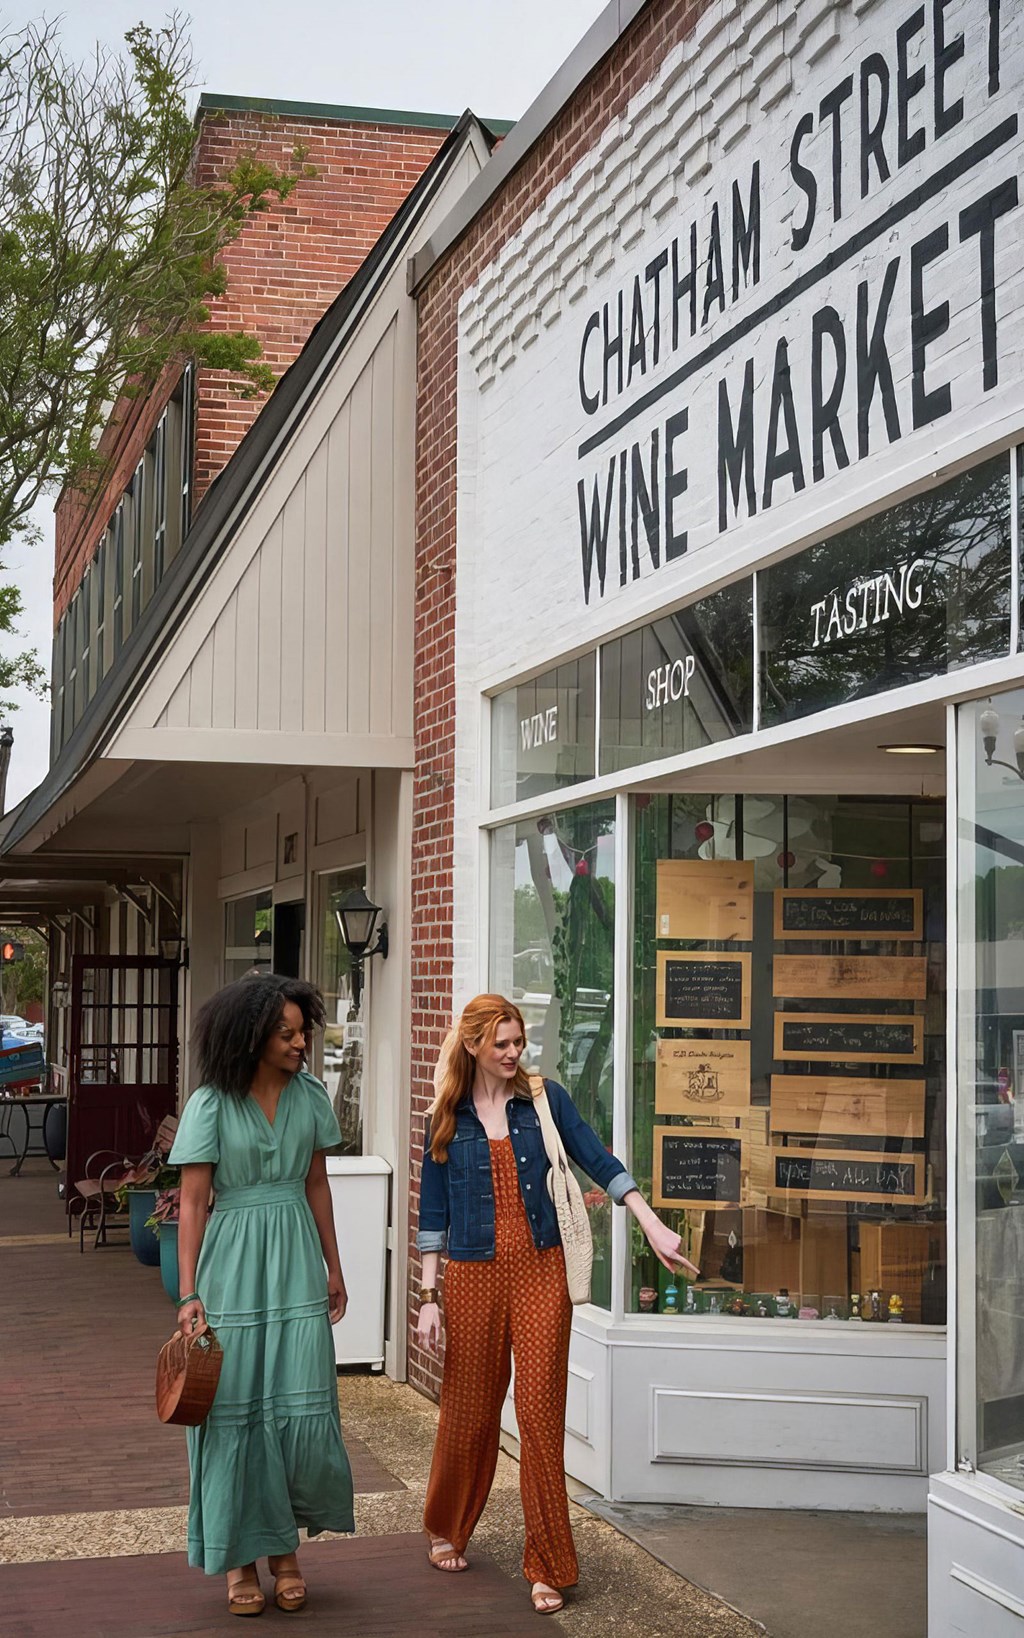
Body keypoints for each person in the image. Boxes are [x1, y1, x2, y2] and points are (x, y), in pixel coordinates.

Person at [416, 993, 698, 1616]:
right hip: (471, 1276)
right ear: (473, 1046)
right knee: (469, 1411)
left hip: (542, 1271)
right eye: (502, 1043)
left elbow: (597, 1158)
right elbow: (432, 1214)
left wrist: (650, 1221)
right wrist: (428, 1296)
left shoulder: (544, 1100)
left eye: (518, 1041)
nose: (513, 1053)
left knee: (541, 1419)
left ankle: (547, 1564)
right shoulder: (445, 1116)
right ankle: (447, 1523)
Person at [171, 973, 355, 1617]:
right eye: (286, 1034)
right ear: (251, 1037)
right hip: (231, 1267)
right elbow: (193, 1201)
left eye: (303, 1031)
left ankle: (285, 1551)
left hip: (297, 1262)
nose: (301, 1043)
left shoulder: (311, 1096)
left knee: (297, 1403)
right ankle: (240, 1560)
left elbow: (317, 1185)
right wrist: (188, 1294)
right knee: (235, 1408)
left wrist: (335, 1266)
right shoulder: (211, 1103)